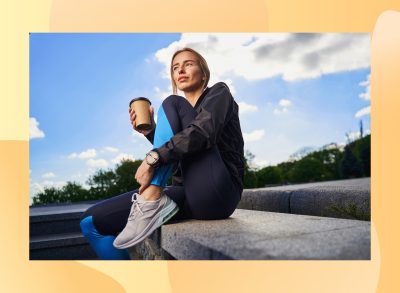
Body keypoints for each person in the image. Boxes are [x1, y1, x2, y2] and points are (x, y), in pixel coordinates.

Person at [80, 47, 245, 260]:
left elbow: (203, 133)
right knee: (91, 222)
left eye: (189, 64)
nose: (181, 70)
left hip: (219, 194)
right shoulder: (178, 120)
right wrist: (151, 133)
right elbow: (179, 158)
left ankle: (152, 197)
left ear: (204, 73)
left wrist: (153, 157)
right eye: (176, 68)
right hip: (187, 193)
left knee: (172, 102)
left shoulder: (219, 92)